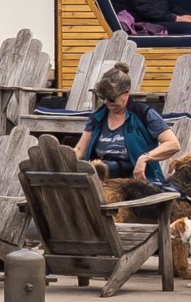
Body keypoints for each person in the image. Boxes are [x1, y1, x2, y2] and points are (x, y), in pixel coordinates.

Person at [76, 68, 184, 210]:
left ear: (126, 93)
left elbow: (173, 144)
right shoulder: (98, 117)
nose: (107, 102)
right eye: (103, 97)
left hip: (137, 185)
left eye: (111, 98)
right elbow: (80, 150)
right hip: (103, 180)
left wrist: (145, 158)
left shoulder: (143, 113)